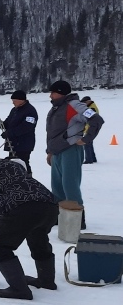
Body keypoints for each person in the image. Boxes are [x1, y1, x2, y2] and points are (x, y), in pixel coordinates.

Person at [0, 158, 59, 299]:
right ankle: (46, 281)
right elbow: (4, 217)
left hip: (24, 208)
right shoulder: (24, 179)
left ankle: (19, 289)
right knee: (38, 239)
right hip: (50, 206)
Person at [45, 80, 104, 229]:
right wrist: (50, 152)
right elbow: (52, 132)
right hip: (57, 151)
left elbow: (96, 119)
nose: (50, 95)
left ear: (61, 92)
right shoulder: (56, 108)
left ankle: (77, 218)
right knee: (57, 186)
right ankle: (60, 216)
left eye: (53, 92)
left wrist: (86, 139)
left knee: (70, 185)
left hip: (71, 149)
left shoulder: (75, 105)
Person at [1, 90, 37, 173]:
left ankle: (28, 181)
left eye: (14, 101)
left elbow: (27, 127)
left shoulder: (30, 111)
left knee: (23, 163)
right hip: (13, 143)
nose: (13, 103)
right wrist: (4, 124)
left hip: (24, 143)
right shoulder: (15, 110)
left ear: (21, 100)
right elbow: (9, 121)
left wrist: (10, 133)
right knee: (13, 164)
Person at [81, 96, 100, 164]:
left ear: (88, 101)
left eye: (85, 102)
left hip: (90, 129)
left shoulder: (92, 108)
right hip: (89, 128)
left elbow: (89, 119)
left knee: (86, 144)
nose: (84, 104)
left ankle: (89, 159)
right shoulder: (91, 107)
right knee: (89, 144)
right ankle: (93, 158)